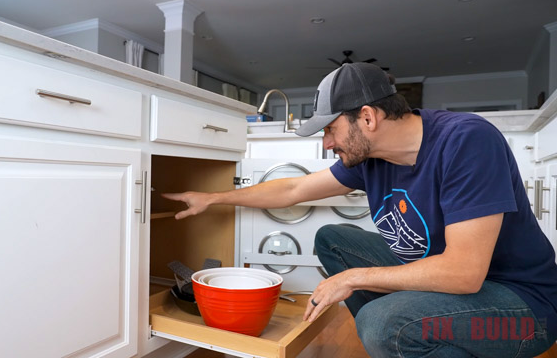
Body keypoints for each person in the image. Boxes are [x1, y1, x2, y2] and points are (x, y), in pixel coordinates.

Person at [163, 62, 557, 357]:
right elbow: (295, 188)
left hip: (523, 311)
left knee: (381, 323)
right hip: (455, 282)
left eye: (330, 130)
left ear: (367, 117)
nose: (326, 145)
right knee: (333, 239)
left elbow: (465, 273)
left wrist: (355, 278)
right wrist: (213, 199)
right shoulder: (372, 159)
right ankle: (409, 335)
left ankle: (401, 330)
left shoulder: (467, 142)